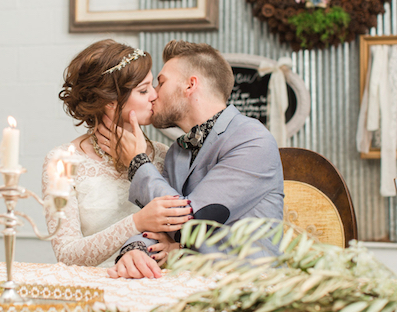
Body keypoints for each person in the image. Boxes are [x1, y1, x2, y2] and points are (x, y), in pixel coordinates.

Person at [97, 40, 285, 279]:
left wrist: (137, 162)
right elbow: (156, 219)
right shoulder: (177, 152)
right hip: (191, 283)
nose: (153, 94)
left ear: (190, 85)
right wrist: (135, 249)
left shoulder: (252, 139)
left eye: (161, 82)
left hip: (253, 288)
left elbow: (191, 222)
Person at [41, 39, 192, 268]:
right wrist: (137, 222)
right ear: (110, 102)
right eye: (143, 90)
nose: (155, 95)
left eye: (153, 86)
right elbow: (67, 254)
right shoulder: (62, 161)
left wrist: (174, 248)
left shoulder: (165, 155)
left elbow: (187, 231)